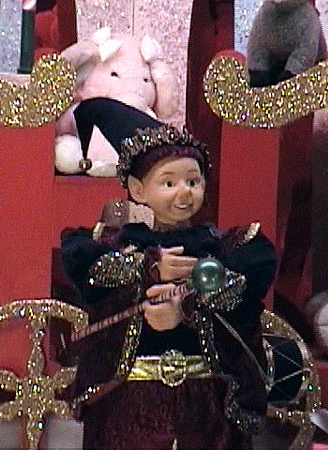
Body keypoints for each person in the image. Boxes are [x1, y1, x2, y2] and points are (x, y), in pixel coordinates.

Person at [60, 97, 277, 450]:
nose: (184, 193)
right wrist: (143, 271)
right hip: (128, 405)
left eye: (193, 181)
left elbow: (243, 295)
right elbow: (93, 278)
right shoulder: (112, 246)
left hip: (205, 406)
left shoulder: (227, 248)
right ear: (137, 190)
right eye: (168, 182)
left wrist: (190, 306)